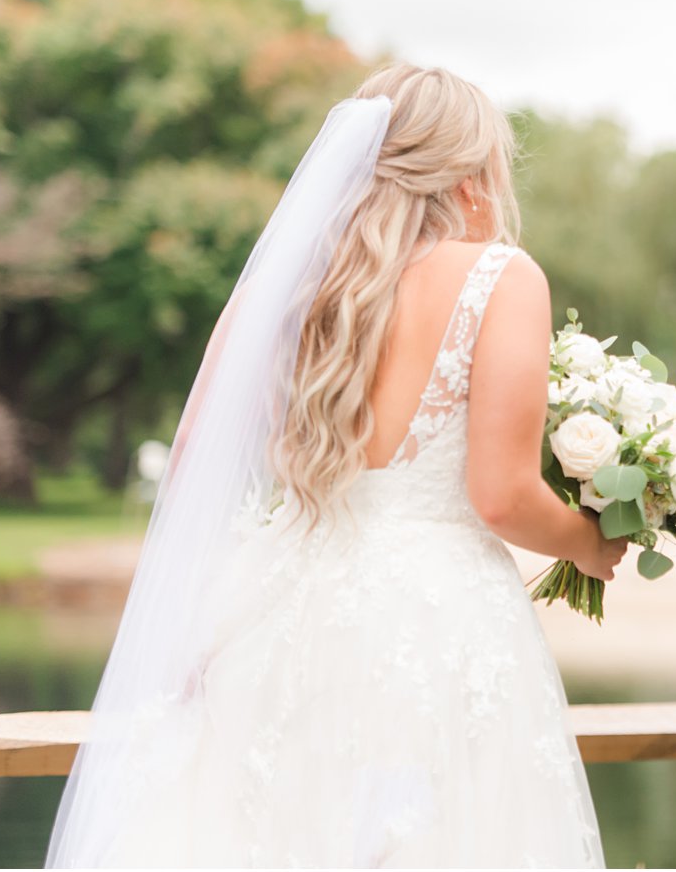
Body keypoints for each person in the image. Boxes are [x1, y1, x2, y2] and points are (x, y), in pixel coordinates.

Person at [46, 64, 624, 868]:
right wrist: (586, 543)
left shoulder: (286, 289)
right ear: (466, 170)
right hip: (438, 615)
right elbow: (500, 496)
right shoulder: (498, 277)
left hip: (284, 602)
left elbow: (191, 467)